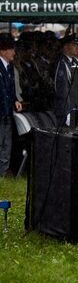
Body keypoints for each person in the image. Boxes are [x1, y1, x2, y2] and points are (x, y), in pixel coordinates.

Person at [0, 33, 23, 177]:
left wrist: (15, 100)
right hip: (0, 112)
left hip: (7, 112)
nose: (14, 52)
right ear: (3, 51)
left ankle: (2, 175)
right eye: (11, 49)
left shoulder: (9, 68)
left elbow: (11, 90)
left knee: (6, 146)